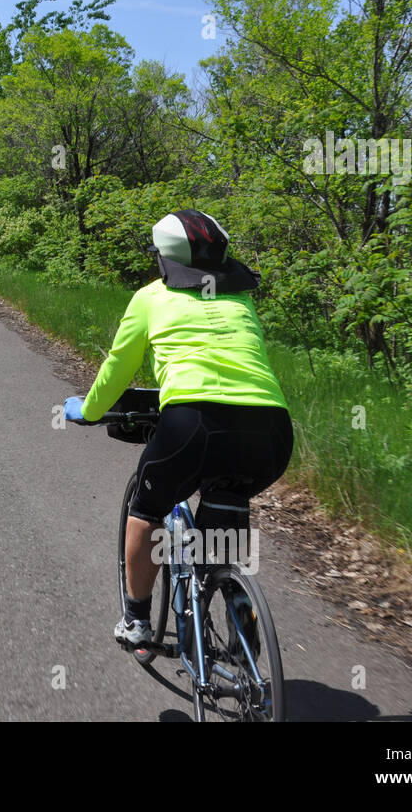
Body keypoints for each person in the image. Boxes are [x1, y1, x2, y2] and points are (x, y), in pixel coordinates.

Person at [63, 209, 293, 651]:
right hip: (271, 432)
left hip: (193, 424)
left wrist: (90, 411)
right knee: (224, 512)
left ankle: (136, 621)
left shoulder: (150, 297)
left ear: (162, 260)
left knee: (146, 508)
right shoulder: (241, 300)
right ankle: (240, 621)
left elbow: (117, 369)